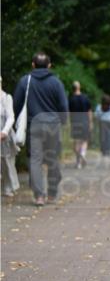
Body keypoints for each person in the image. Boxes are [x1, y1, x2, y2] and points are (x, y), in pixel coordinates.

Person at [13, 52, 69, 206]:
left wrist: (15, 125)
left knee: (35, 160)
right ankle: (52, 193)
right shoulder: (56, 83)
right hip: (53, 125)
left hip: (34, 125)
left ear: (33, 64)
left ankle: (39, 196)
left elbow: (16, 104)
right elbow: (63, 106)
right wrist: (63, 121)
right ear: (49, 65)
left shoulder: (25, 81)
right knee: (52, 159)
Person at [1, 79, 20, 197]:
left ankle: (8, 187)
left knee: (7, 162)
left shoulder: (6, 98)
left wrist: (4, 131)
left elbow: (11, 117)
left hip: (4, 135)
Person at [68, 81, 92, 168]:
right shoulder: (85, 98)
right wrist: (90, 122)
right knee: (84, 141)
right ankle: (82, 153)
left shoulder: (71, 99)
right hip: (84, 121)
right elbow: (89, 111)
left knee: (76, 141)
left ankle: (78, 163)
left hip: (75, 122)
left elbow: (69, 112)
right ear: (79, 87)